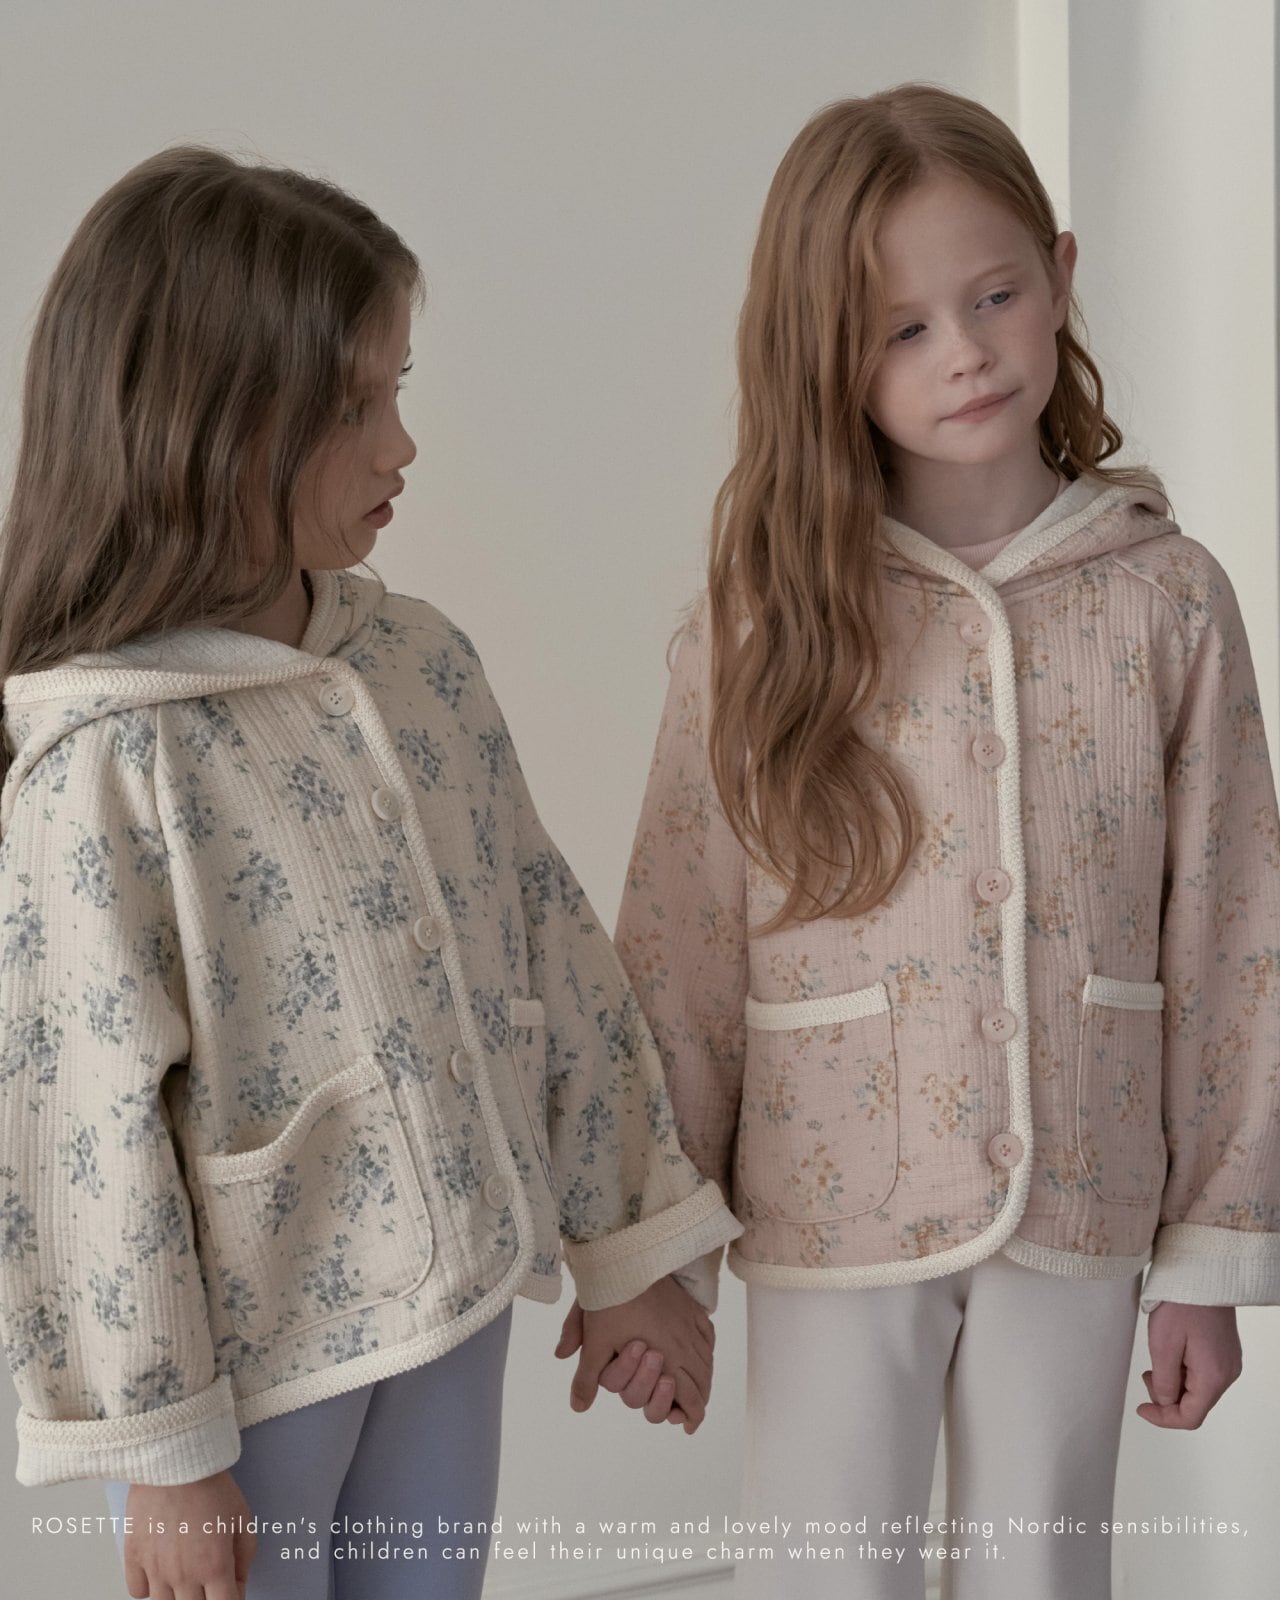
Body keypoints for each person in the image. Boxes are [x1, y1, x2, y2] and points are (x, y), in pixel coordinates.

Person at [0, 145, 740, 1600]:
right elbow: (81, 1131)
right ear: (204, 425)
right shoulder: (106, 763)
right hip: (254, 1370)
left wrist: (630, 1250)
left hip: (458, 1301)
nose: (401, 444)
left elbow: (551, 947)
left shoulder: (417, 664)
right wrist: (164, 1451)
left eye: (399, 388)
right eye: (354, 407)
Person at [613, 85, 1279, 1600]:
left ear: (1060, 272)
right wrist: (654, 1255)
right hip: (831, 1188)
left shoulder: (1166, 596)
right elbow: (679, 942)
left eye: (994, 297)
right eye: (902, 328)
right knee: (820, 1568)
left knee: (1042, 1568)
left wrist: (1215, 1253)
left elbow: (1239, 933)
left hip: (1087, 1180)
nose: (965, 351)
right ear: (824, 356)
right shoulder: (767, 619)